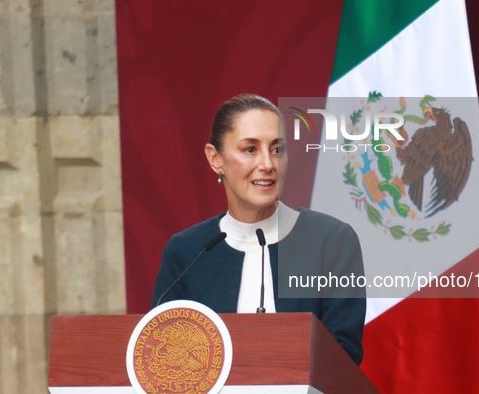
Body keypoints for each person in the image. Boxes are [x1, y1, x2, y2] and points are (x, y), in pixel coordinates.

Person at [152, 93, 366, 364]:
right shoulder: (187, 251)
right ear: (215, 158)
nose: (267, 164)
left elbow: (342, 358)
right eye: (250, 149)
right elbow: (162, 357)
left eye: (277, 149)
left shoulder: (331, 240)